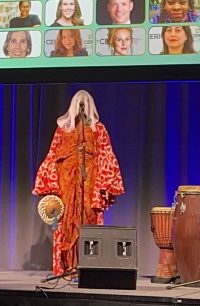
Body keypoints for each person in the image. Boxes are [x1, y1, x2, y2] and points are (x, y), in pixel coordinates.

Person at [33, 90, 124, 275]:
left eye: (85, 103)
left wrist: (106, 184)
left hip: (90, 181)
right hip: (66, 181)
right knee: (66, 220)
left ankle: (87, 263)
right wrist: (48, 182)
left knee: (88, 219)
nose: (82, 106)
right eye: (79, 103)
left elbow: (107, 155)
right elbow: (52, 154)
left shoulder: (99, 129)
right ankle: (67, 265)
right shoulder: (62, 129)